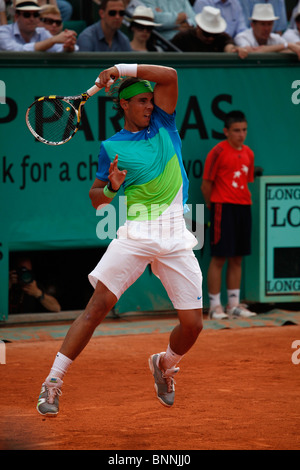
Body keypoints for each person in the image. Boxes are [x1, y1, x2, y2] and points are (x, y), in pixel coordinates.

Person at [36, 62, 204, 416]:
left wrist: (119, 68)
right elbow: (97, 199)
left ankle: (164, 364)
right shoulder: (111, 146)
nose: (149, 106)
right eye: (142, 101)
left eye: (150, 100)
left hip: (175, 233)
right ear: (124, 105)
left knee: (193, 325)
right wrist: (112, 186)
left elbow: (170, 75)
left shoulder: (165, 122)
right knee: (96, 309)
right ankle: (52, 383)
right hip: (137, 233)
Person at [201, 111, 256, 320]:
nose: (241, 134)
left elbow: (246, 180)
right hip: (222, 207)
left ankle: (234, 304)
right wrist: (212, 205)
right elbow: (206, 185)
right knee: (219, 257)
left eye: (244, 130)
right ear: (226, 132)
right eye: (236, 130)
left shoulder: (249, 153)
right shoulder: (217, 152)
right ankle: (215, 307)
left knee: (237, 257)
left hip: (244, 206)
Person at [172, 6, 249, 58]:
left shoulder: (222, 37)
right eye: (207, 34)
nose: (211, 38)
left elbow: (229, 47)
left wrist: (235, 50)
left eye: (215, 35)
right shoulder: (182, 38)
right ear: (198, 27)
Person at [0, 0, 77, 52]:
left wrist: (68, 46)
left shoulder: (42, 32)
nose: (32, 19)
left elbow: (58, 49)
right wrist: (52, 40)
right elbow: (18, 51)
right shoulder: (3, 31)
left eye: (36, 15)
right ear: (17, 17)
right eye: (27, 15)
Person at [234, 3, 300, 59]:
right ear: (252, 25)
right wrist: (286, 45)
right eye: (263, 24)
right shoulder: (241, 37)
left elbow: (290, 50)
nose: (266, 28)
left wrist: (287, 47)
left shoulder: (276, 38)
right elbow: (251, 51)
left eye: (269, 24)